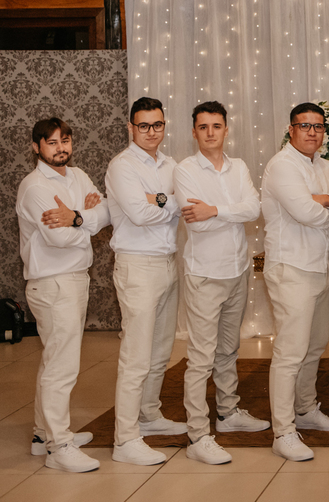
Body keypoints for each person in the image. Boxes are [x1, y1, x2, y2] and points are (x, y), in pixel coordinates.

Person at [174, 101, 268, 465]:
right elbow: (196, 224)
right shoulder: (185, 170)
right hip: (205, 275)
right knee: (201, 357)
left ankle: (228, 413)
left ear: (226, 130)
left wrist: (214, 209)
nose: (210, 132)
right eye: (203, 127)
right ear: (194, 132)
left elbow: (253, 209)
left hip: (237, 270)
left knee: (229, 349)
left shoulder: (238, 166)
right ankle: (198, 434)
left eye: (216, 126)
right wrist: (227, 213)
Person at [16, 118, 109, 473]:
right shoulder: (35, 186)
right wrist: (86, 219)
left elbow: (107, 211)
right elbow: (58, 238)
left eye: (65, 140)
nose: (60, 148)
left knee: (54, 361)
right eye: (52, 142)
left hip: (74, 279)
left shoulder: (78, 175)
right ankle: (59, 446)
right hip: (53, 283)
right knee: (62, 367)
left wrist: (76, 217)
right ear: (36, 147)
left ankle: (43, 436)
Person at [106, 96, 188, 466]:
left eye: (157, 125)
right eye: (144, 125)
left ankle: (149, 415)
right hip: (137, 265)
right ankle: (125, 438)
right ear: (131, 127)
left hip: (168, 261)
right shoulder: (122, 166)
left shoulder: (171, 164)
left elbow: (183, 203)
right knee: (136, 356)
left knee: (160, 350)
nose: (151, 132)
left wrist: (159, 199)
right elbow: (139, 214)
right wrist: (169, 203)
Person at [261, 102, 329, 462]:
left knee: (315, 346)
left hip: (322, 266)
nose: (312, 132)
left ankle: (306, 408)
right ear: (291, 129)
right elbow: (307, 212)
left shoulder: (327, 167)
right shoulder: (282, 165)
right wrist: (326, 206)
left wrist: (325, 202)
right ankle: (283, 431)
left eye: (318, 126)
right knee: (290, 352)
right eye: (305, 125)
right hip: (291, 268)